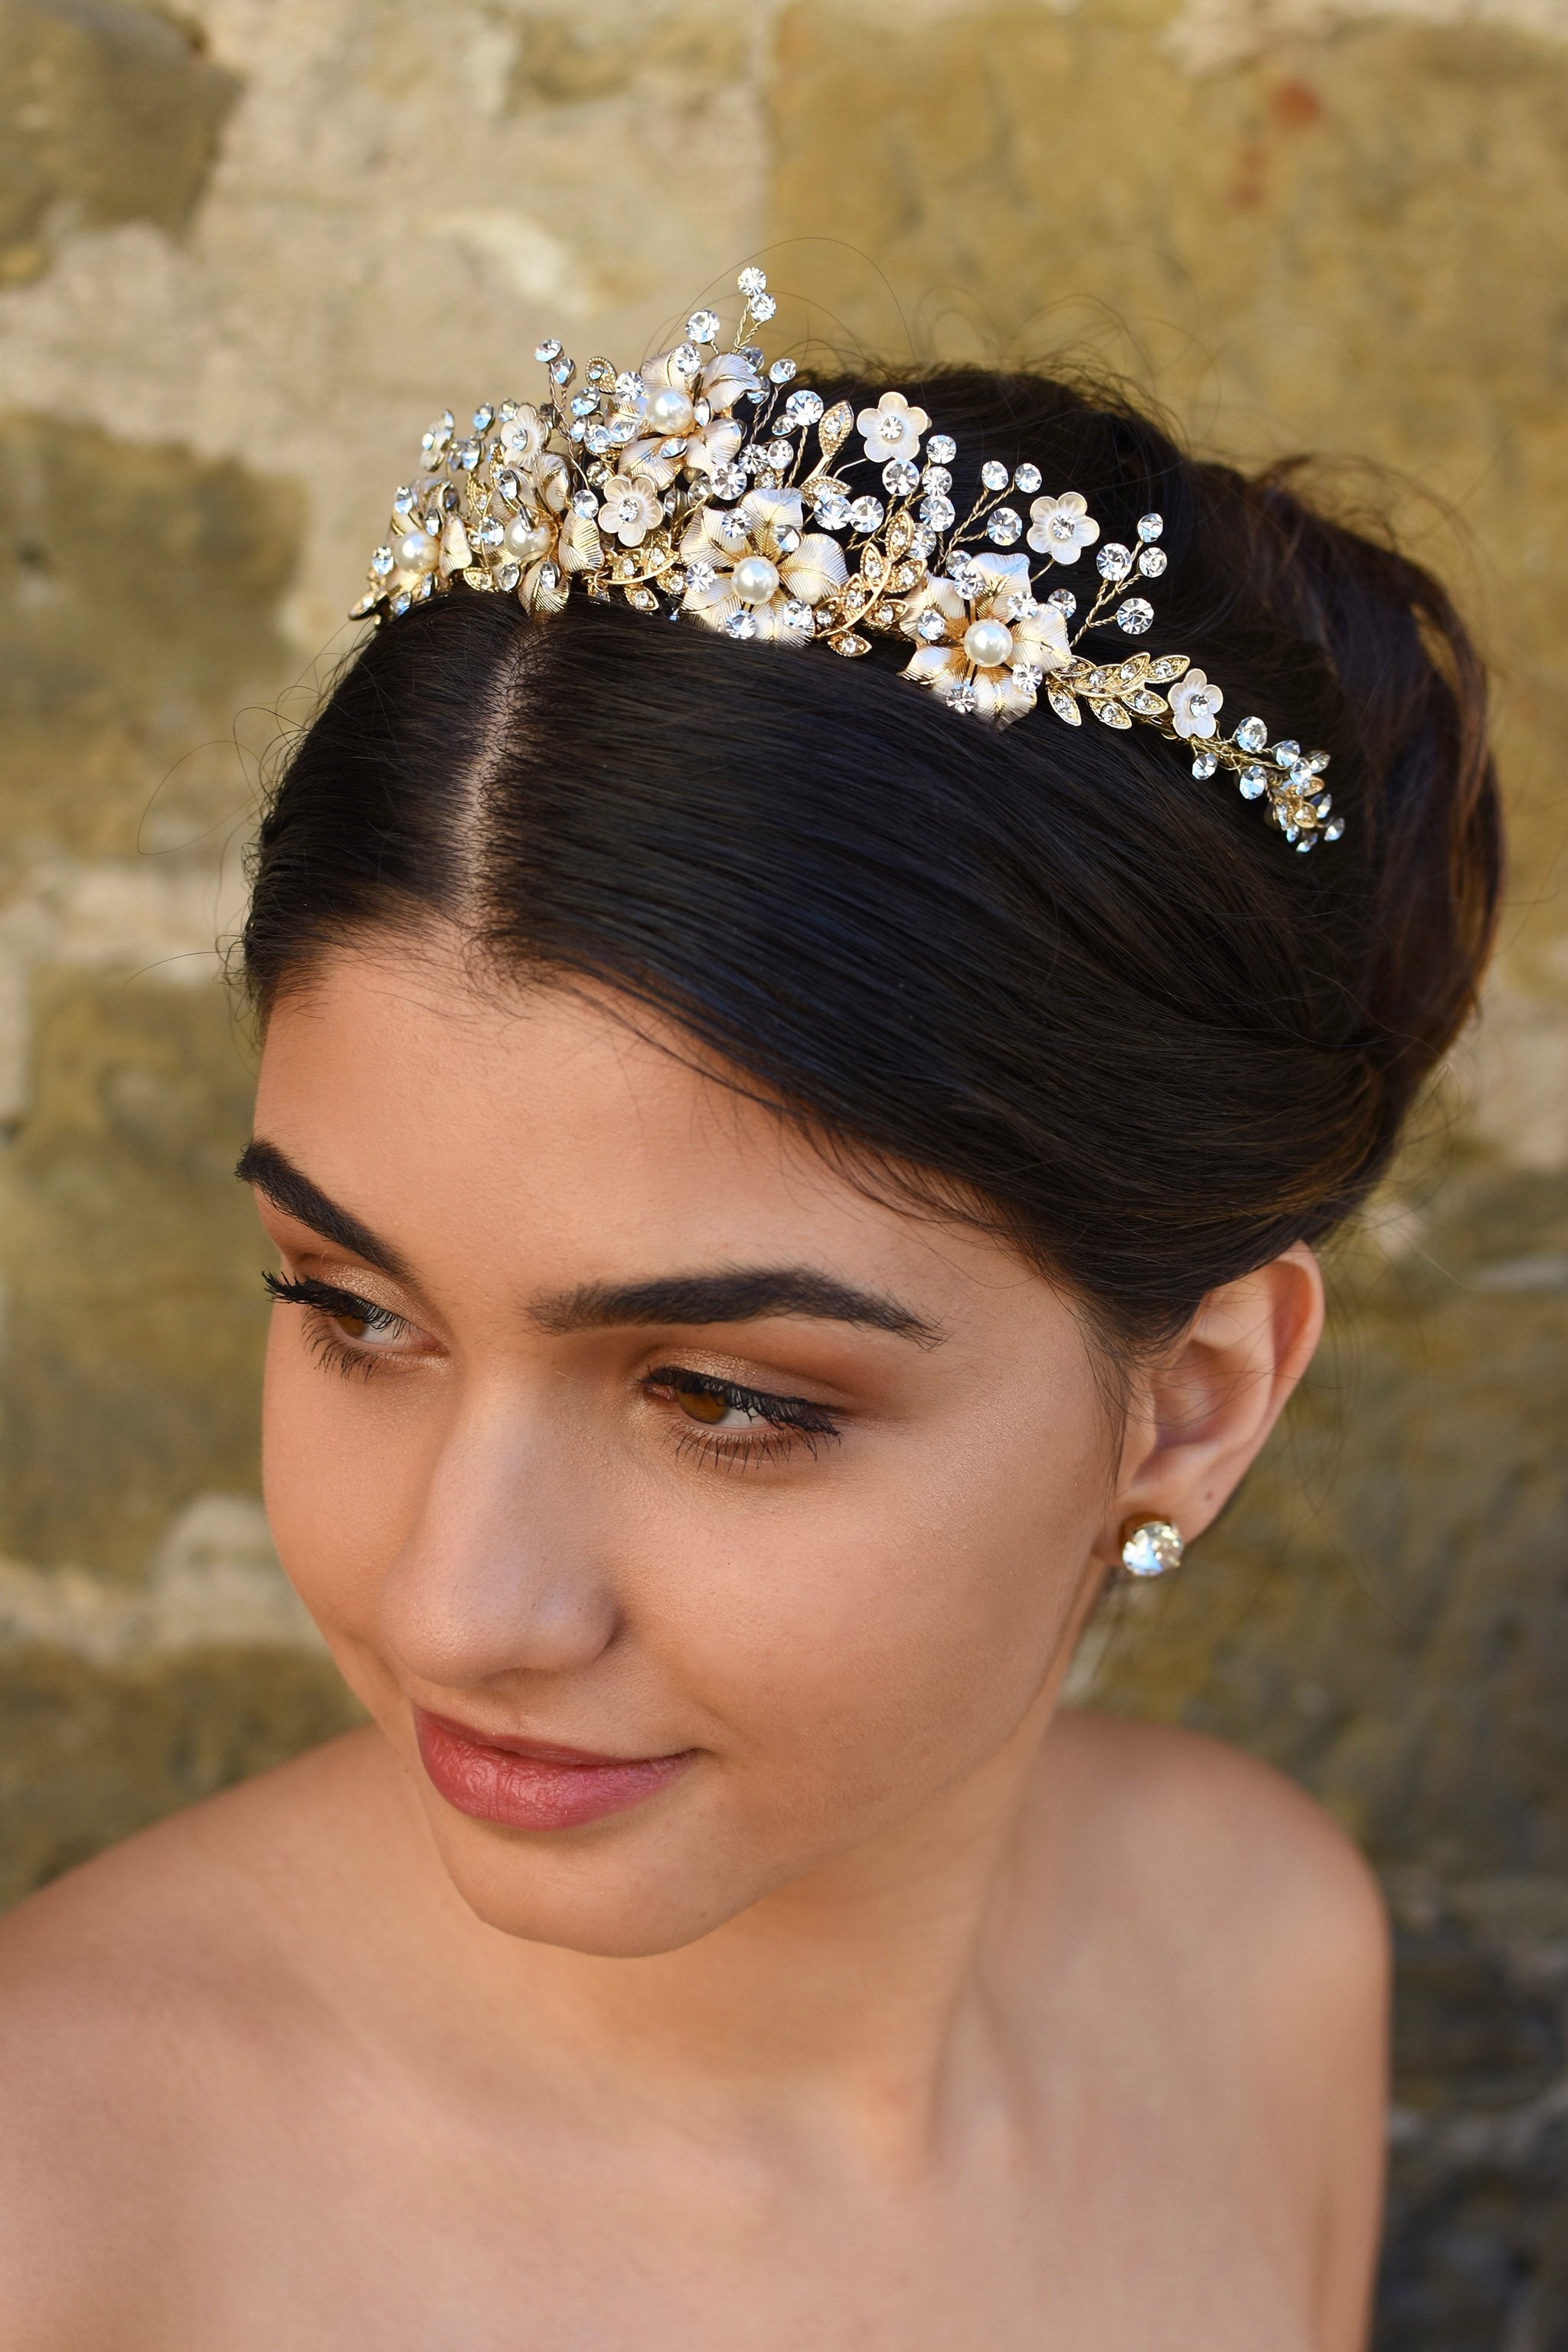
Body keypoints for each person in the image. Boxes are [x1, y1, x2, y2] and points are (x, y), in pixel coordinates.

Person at [0, 271, 1499, 2350]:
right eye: (352, 1311)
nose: (460, 1607)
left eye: (717, 1395)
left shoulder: (1257, 1959)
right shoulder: (64, 2207)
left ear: (1192, 1405)